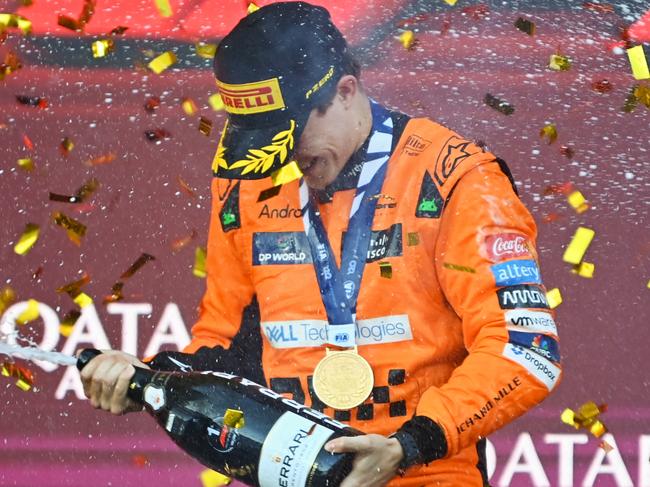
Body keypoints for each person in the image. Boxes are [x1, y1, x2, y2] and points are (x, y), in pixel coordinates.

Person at [80, 2, 562, 485]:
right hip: (282, 472)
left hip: (423, 473)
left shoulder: (454, 177)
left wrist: (409, 445)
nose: (280, 157)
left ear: (345, 91)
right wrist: (149, 377)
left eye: (288, 134)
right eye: (260, 138)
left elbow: (526, 348)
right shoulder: (247, 185)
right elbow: (226, 346)